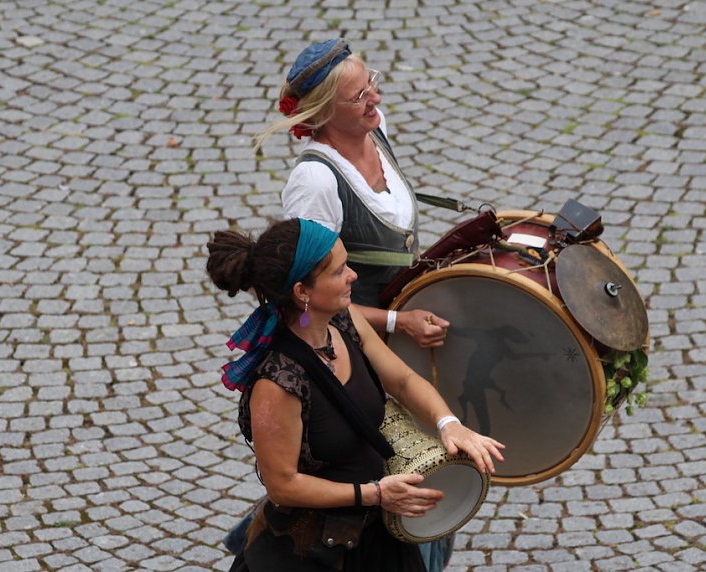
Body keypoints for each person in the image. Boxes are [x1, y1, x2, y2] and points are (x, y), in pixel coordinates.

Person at [207, 218, 505, 572]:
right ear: (303, 292)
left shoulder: (343, 321)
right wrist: (376, 494)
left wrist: (449, 423)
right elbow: (282, 486)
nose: (353, 276)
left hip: (378, 534)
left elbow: (404, 381)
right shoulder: (278, 382)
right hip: (313, 551)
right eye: (338, 271)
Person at [254, 38, 450, 351]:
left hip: (403, 319)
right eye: (359, 96)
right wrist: (397, 321)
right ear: (323, 113)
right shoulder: (315, 182)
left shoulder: (374, 126)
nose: (376, 97)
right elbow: (312, 301)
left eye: (371, 82)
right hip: (354, 345)